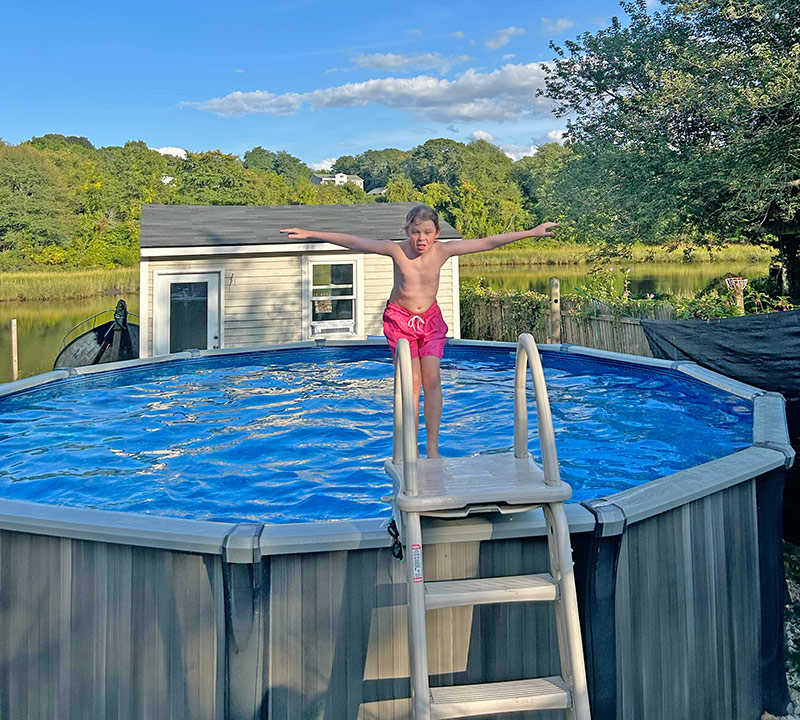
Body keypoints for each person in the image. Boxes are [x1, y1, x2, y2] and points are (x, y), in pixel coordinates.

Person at [280, 205, 558, 457]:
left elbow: (487, 242)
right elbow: (353, 241)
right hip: (399, 320)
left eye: (427, 232)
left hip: (430, 320)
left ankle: (433, 448)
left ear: (437, 233)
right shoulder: (395, 249)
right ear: (406, 232)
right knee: (412, 384)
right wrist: (309, 233)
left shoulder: (444, 250)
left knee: (432, 381)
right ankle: (409, 445)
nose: (421, 239)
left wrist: (531, 232)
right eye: (415, 232)